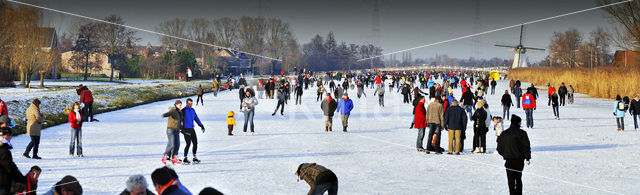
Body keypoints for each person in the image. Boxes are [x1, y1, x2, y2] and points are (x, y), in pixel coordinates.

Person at [497, 115, 531, 195]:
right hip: (519, 160)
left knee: (511, 180)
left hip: (509, 160)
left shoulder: (504, 133)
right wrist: (527, 158)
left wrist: (505, 154)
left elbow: (499, 148)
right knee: (518, 179)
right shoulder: (522, 133)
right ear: (518, 123)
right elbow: (526, 146)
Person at [0, 116, 26, 194]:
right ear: (6, 135)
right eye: (11, 135)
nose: (11, 137)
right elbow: (9, 166)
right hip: (3, 184)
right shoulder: (4, 150)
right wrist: (20, 179)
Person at [180, 98, 205, 164]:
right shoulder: (183, 110)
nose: (190, 105)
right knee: (188, 143)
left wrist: (201, 125)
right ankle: (185, 158)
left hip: (192, 129)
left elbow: (196, 118)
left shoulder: (193, 110)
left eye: (191, 103)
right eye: (189, 103)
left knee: (195, 143)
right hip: (186, 129)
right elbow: (181, 120)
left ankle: (194, 157)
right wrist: (181, 129)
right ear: (186, 103)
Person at [161, 100, 183, 165]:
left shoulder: (179, 112)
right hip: (171, 129)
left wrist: (181, 129)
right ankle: (165, 156)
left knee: (177, 144)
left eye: (181, 104)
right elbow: (169, 113)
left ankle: (174, 158)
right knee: (172, 144)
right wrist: (165, 115)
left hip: (177, 130)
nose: (180, 106)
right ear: (176, 105)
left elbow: (180, 122)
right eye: (179, 104)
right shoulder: (173, 110)